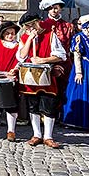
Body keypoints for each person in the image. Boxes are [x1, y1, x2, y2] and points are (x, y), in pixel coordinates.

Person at [17, 12, 66, 148]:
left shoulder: (50, 35)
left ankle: (48, 136)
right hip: (30, 77)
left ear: (37, 23)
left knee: (49, 106)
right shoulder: (25, 37)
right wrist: (29, 39)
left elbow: (61, 56)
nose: (29, 30)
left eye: (31, 26)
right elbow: (21, 56)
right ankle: (37, 134)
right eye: (27, 28)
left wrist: (43, 60)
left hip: (46, 76)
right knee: (33, 107)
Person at [62, 12, 89, 130]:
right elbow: (77, 55)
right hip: (85, 67)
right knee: (82, 91)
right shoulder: (80, 36)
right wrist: (79, 72)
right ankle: (78, 120)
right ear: (88, 24)